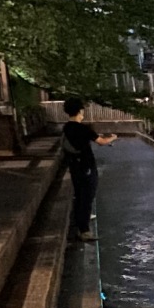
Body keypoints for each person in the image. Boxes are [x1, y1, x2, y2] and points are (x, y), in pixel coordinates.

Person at [60, 95, 99, 241]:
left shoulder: (66, 128)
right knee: (87, 196)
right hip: (86, 166)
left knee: (80, 195)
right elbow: (100, 141)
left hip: (75, 166)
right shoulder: (83, 129)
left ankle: (81, 224)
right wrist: (113, 138)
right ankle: (84, 230)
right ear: (80, 111)